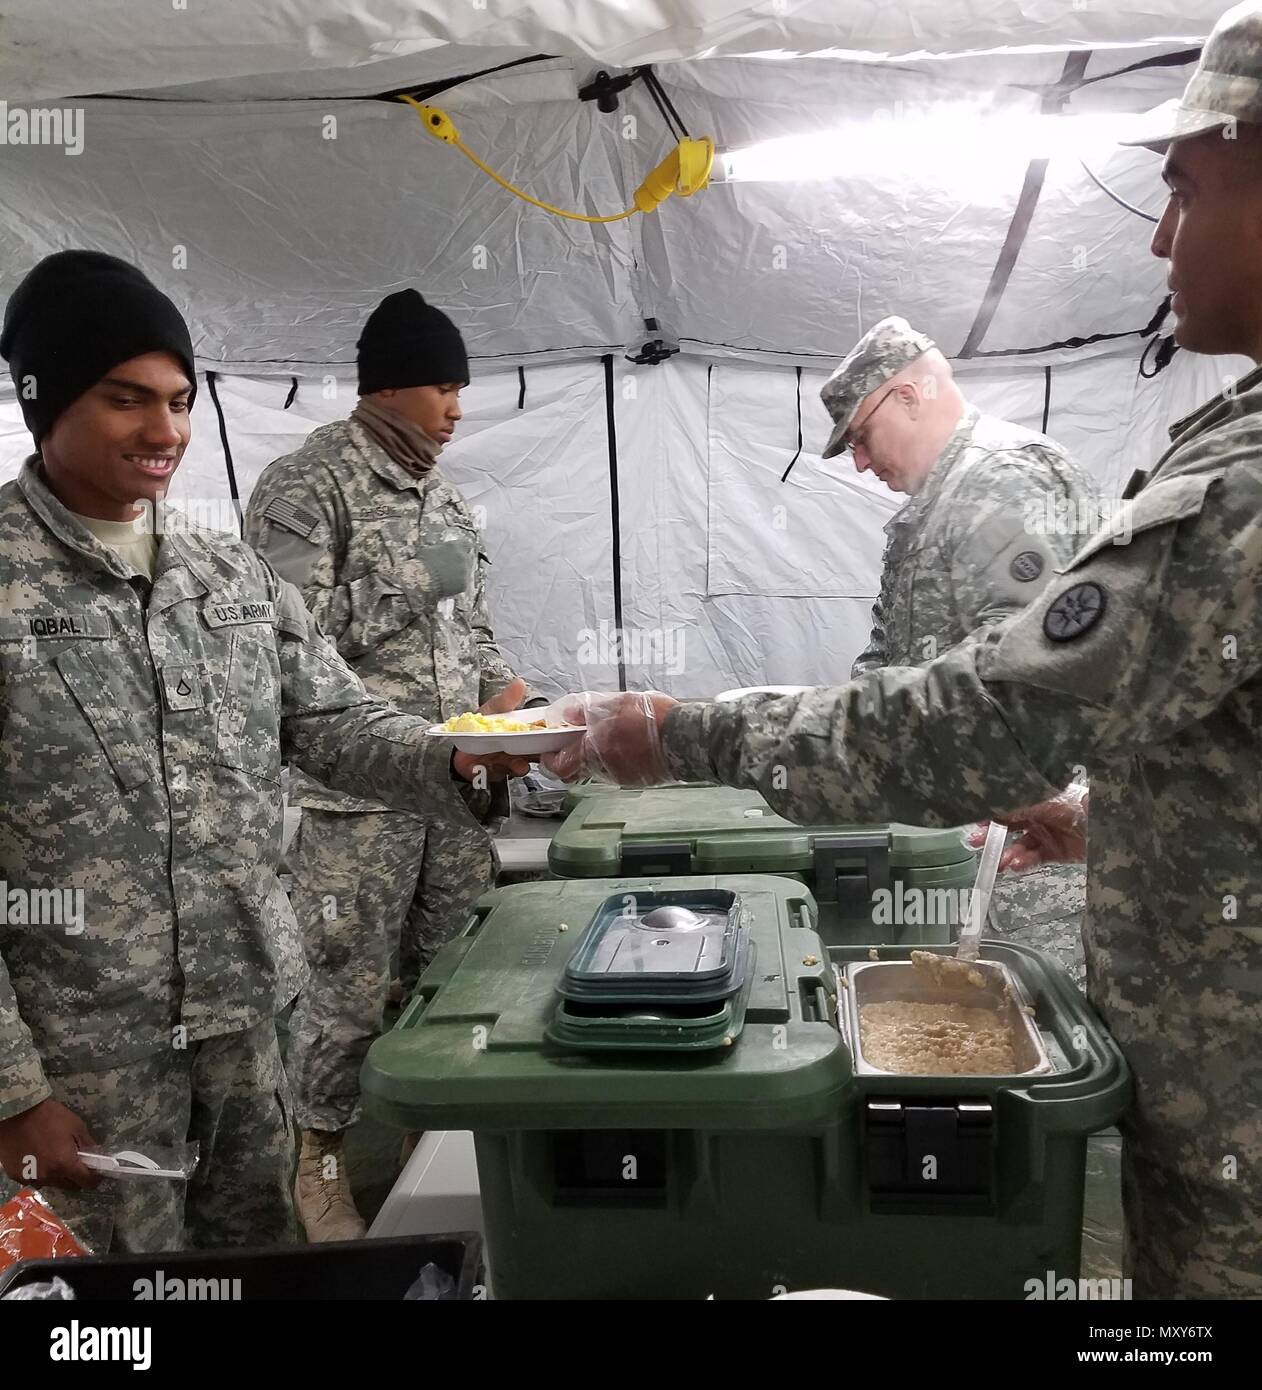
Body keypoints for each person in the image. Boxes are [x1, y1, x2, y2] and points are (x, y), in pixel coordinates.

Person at [545, 0, 1262, 1298]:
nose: (1159, 232)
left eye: (1186, 189)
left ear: (907, 392)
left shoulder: (1183, 483)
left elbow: (992, 713)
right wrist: (1119, 824)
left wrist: (675, 733)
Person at [0, 251, 528, 1254]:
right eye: (126, 399)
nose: (166, 432)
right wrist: (12, 1089)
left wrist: (455, 759)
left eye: (179, 400)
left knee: (259, 1269)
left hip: (249, 1026)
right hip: (89, 1061)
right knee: (113, 1308)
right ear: (45, 400)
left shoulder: (222, 571)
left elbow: (329, 719)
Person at [244, 290, 540, 1240]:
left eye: (462, 388)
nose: (457, 408)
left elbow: (473, 629)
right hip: (355, 801)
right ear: (388, 386)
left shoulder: (449, 500)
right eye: (442, 386)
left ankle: (443, 1145)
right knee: (344, 988)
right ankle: (317, 1162)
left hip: (458, 790)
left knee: (461, 973)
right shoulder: (308, 489)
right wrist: (409, 618)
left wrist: (508, 694)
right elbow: (287, 654)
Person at [821, 318, 1095, 979]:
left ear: (909, 395)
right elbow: (884, 663)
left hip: (1032, 854)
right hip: (971, 841)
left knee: (1043, 1038)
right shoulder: (932, 509)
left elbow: (1027, 684)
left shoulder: (1001, 479)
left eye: (860, 436)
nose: (859, 461)